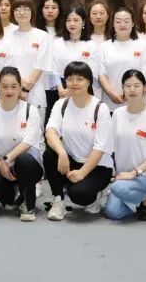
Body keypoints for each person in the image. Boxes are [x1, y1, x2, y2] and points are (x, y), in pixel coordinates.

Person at [44, 61, 114, 220]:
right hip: (71, 160)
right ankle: (58, 200)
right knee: (50, 154)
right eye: (70, 79)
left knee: (79, 195)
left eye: (80, 79)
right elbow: (50, 131)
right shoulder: (61, 104)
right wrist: (61, 152)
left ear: (89, 81)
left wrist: (82, 173)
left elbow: (100, 147)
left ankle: (95, 195)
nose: (74, 83)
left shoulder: (100, 108)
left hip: (98, 166)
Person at [0, 67, 45, 221]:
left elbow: (28, 141)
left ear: (20, 87)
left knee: (24, 159)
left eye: (14, 86)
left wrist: (6, 159)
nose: (9, 91)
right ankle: (11, 197)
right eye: (5, 86)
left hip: (27, 165)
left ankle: (28, 205)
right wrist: (0, 165)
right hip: (3, 166)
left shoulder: (30, 111)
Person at [105, 70, 146, 220]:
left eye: (136, 85)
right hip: (122, 177)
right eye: (127, 86)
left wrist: (134, 173)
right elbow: (111, 147)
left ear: (145, 88)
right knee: (112, 212)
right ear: (122, 89)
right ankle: (138, 198)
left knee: (117, 188)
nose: (132, 89)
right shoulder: (118, 114)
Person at [47, 6, 104, 113]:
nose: (72, 23)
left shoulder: (91, 45)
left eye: (76, 20)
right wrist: (61, 90)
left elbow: (93, 73)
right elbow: (51, 70)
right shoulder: (57, 44)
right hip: (60, 91)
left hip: (84, 90)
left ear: (83, 22)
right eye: (68, 20)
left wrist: (71, 90)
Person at [98, 8, 146, 111]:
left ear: (133, 24)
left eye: (126, 21)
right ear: (113, 24)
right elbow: (101, 74)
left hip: (138, 105)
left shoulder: (142, 46)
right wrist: (111, 93)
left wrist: (129, 91)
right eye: (118, 21)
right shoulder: (104, 47)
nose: (122, 25)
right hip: (111, 104)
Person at [8, 0, 53, 112]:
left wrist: (25, 90)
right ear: (12, 13)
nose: (21, 13)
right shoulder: (7, 37)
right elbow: (6, 66)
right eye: (17, 9)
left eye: (26, 9)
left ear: (32, 11)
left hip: (35, 95)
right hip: (11, 93)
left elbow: (40, 65)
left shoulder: (42, 36)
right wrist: (16, 88)